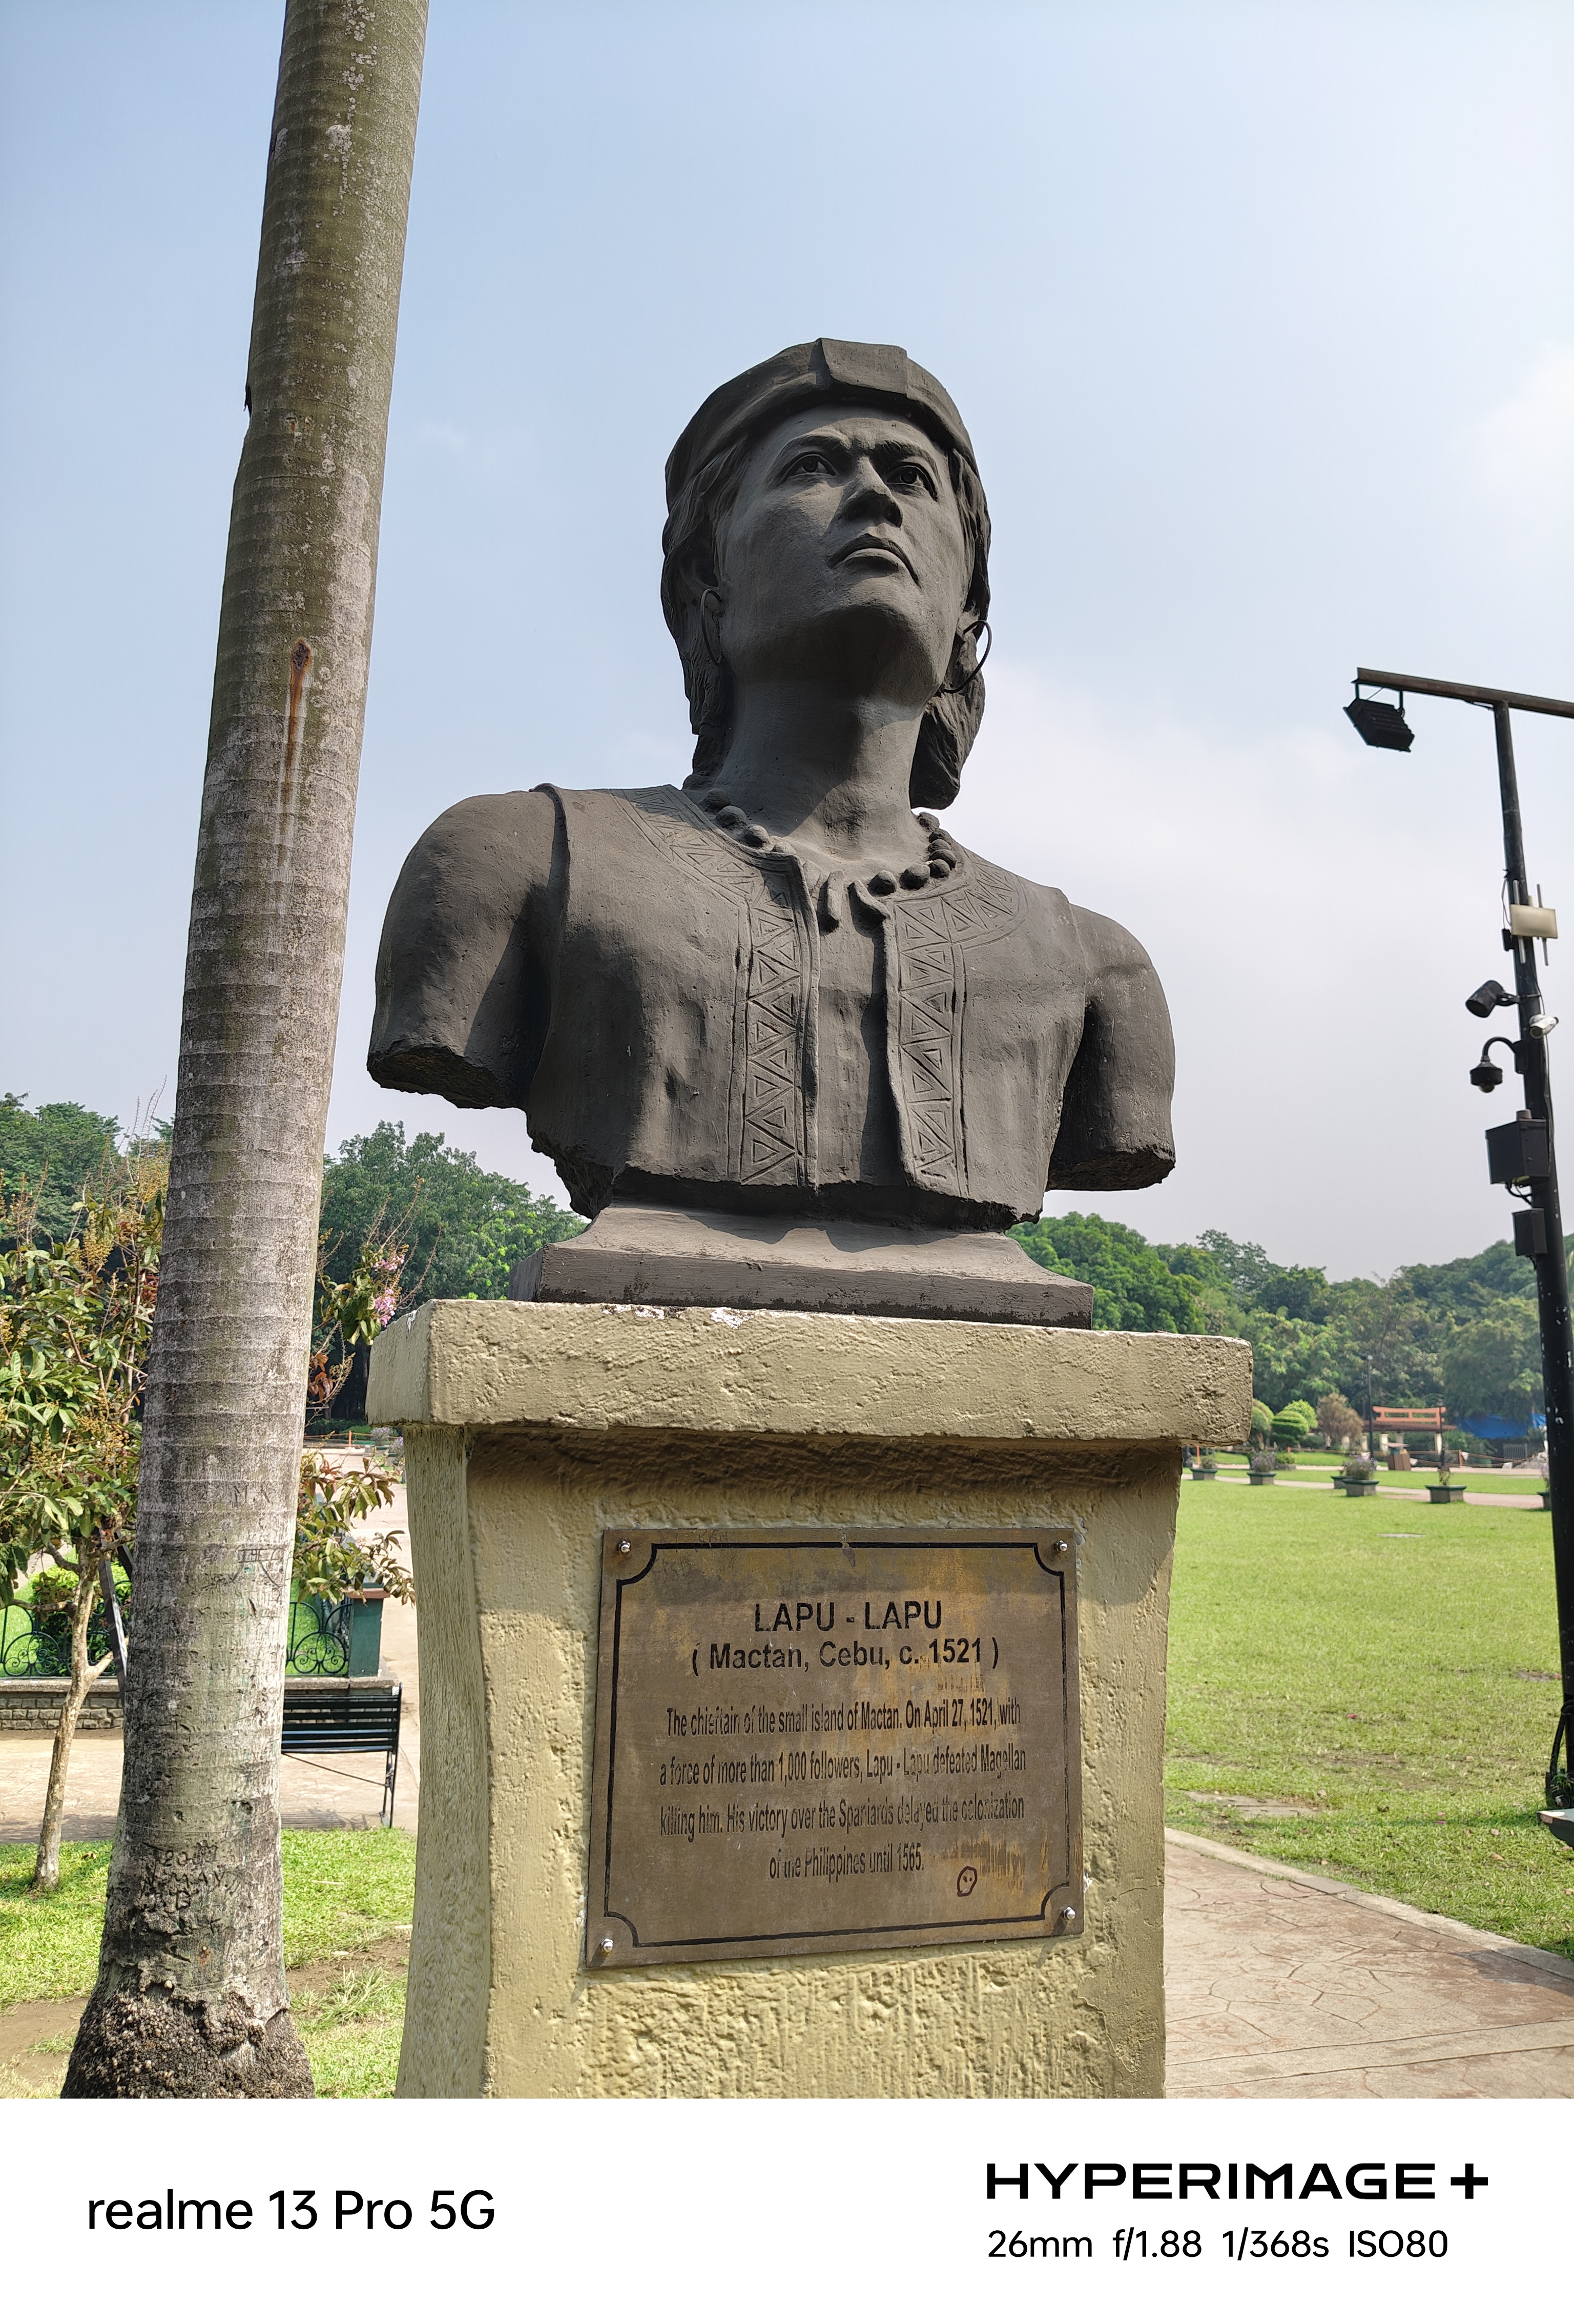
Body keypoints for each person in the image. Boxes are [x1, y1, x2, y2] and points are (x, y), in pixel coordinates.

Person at [368, 338, 1174, 1241]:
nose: (873, 496)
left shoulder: (1098, 971)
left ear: (968, 609)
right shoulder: (515, 866)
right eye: (813, 467)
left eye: (912, 478)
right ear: (706, 575)